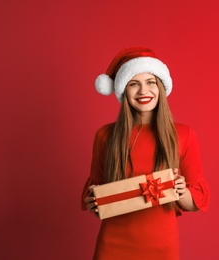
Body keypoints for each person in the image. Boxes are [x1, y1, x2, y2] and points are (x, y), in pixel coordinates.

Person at [81, 47, 210, 260]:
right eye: (134, 83)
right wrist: (94, 202)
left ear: (160, 87)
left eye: (150, 82)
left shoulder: (184, 135)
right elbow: (96, 198)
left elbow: (196, 202)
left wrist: (180, 190)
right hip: (113, 244)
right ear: (123, 90)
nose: (143, 91)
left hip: (161, 245)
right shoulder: (105, 136)